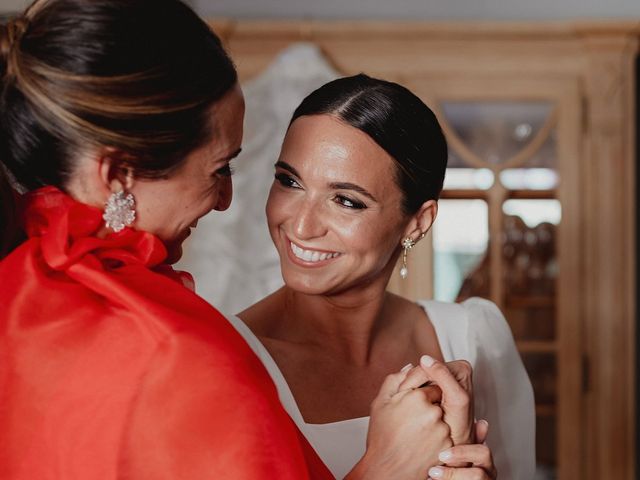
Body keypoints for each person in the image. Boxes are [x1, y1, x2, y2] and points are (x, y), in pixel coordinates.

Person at [0, 1, 490, 479]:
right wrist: (385, 467)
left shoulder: (22, 292)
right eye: (220, 168)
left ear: (417, 221)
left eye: (346, 199)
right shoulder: (171, 347)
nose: (226, 201)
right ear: (118, 174)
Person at [236, 74, 536, 479]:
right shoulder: (225, 359)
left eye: (346, 200)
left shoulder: (473, 338)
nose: (302, 226)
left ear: (417, 222)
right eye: (289, 181)